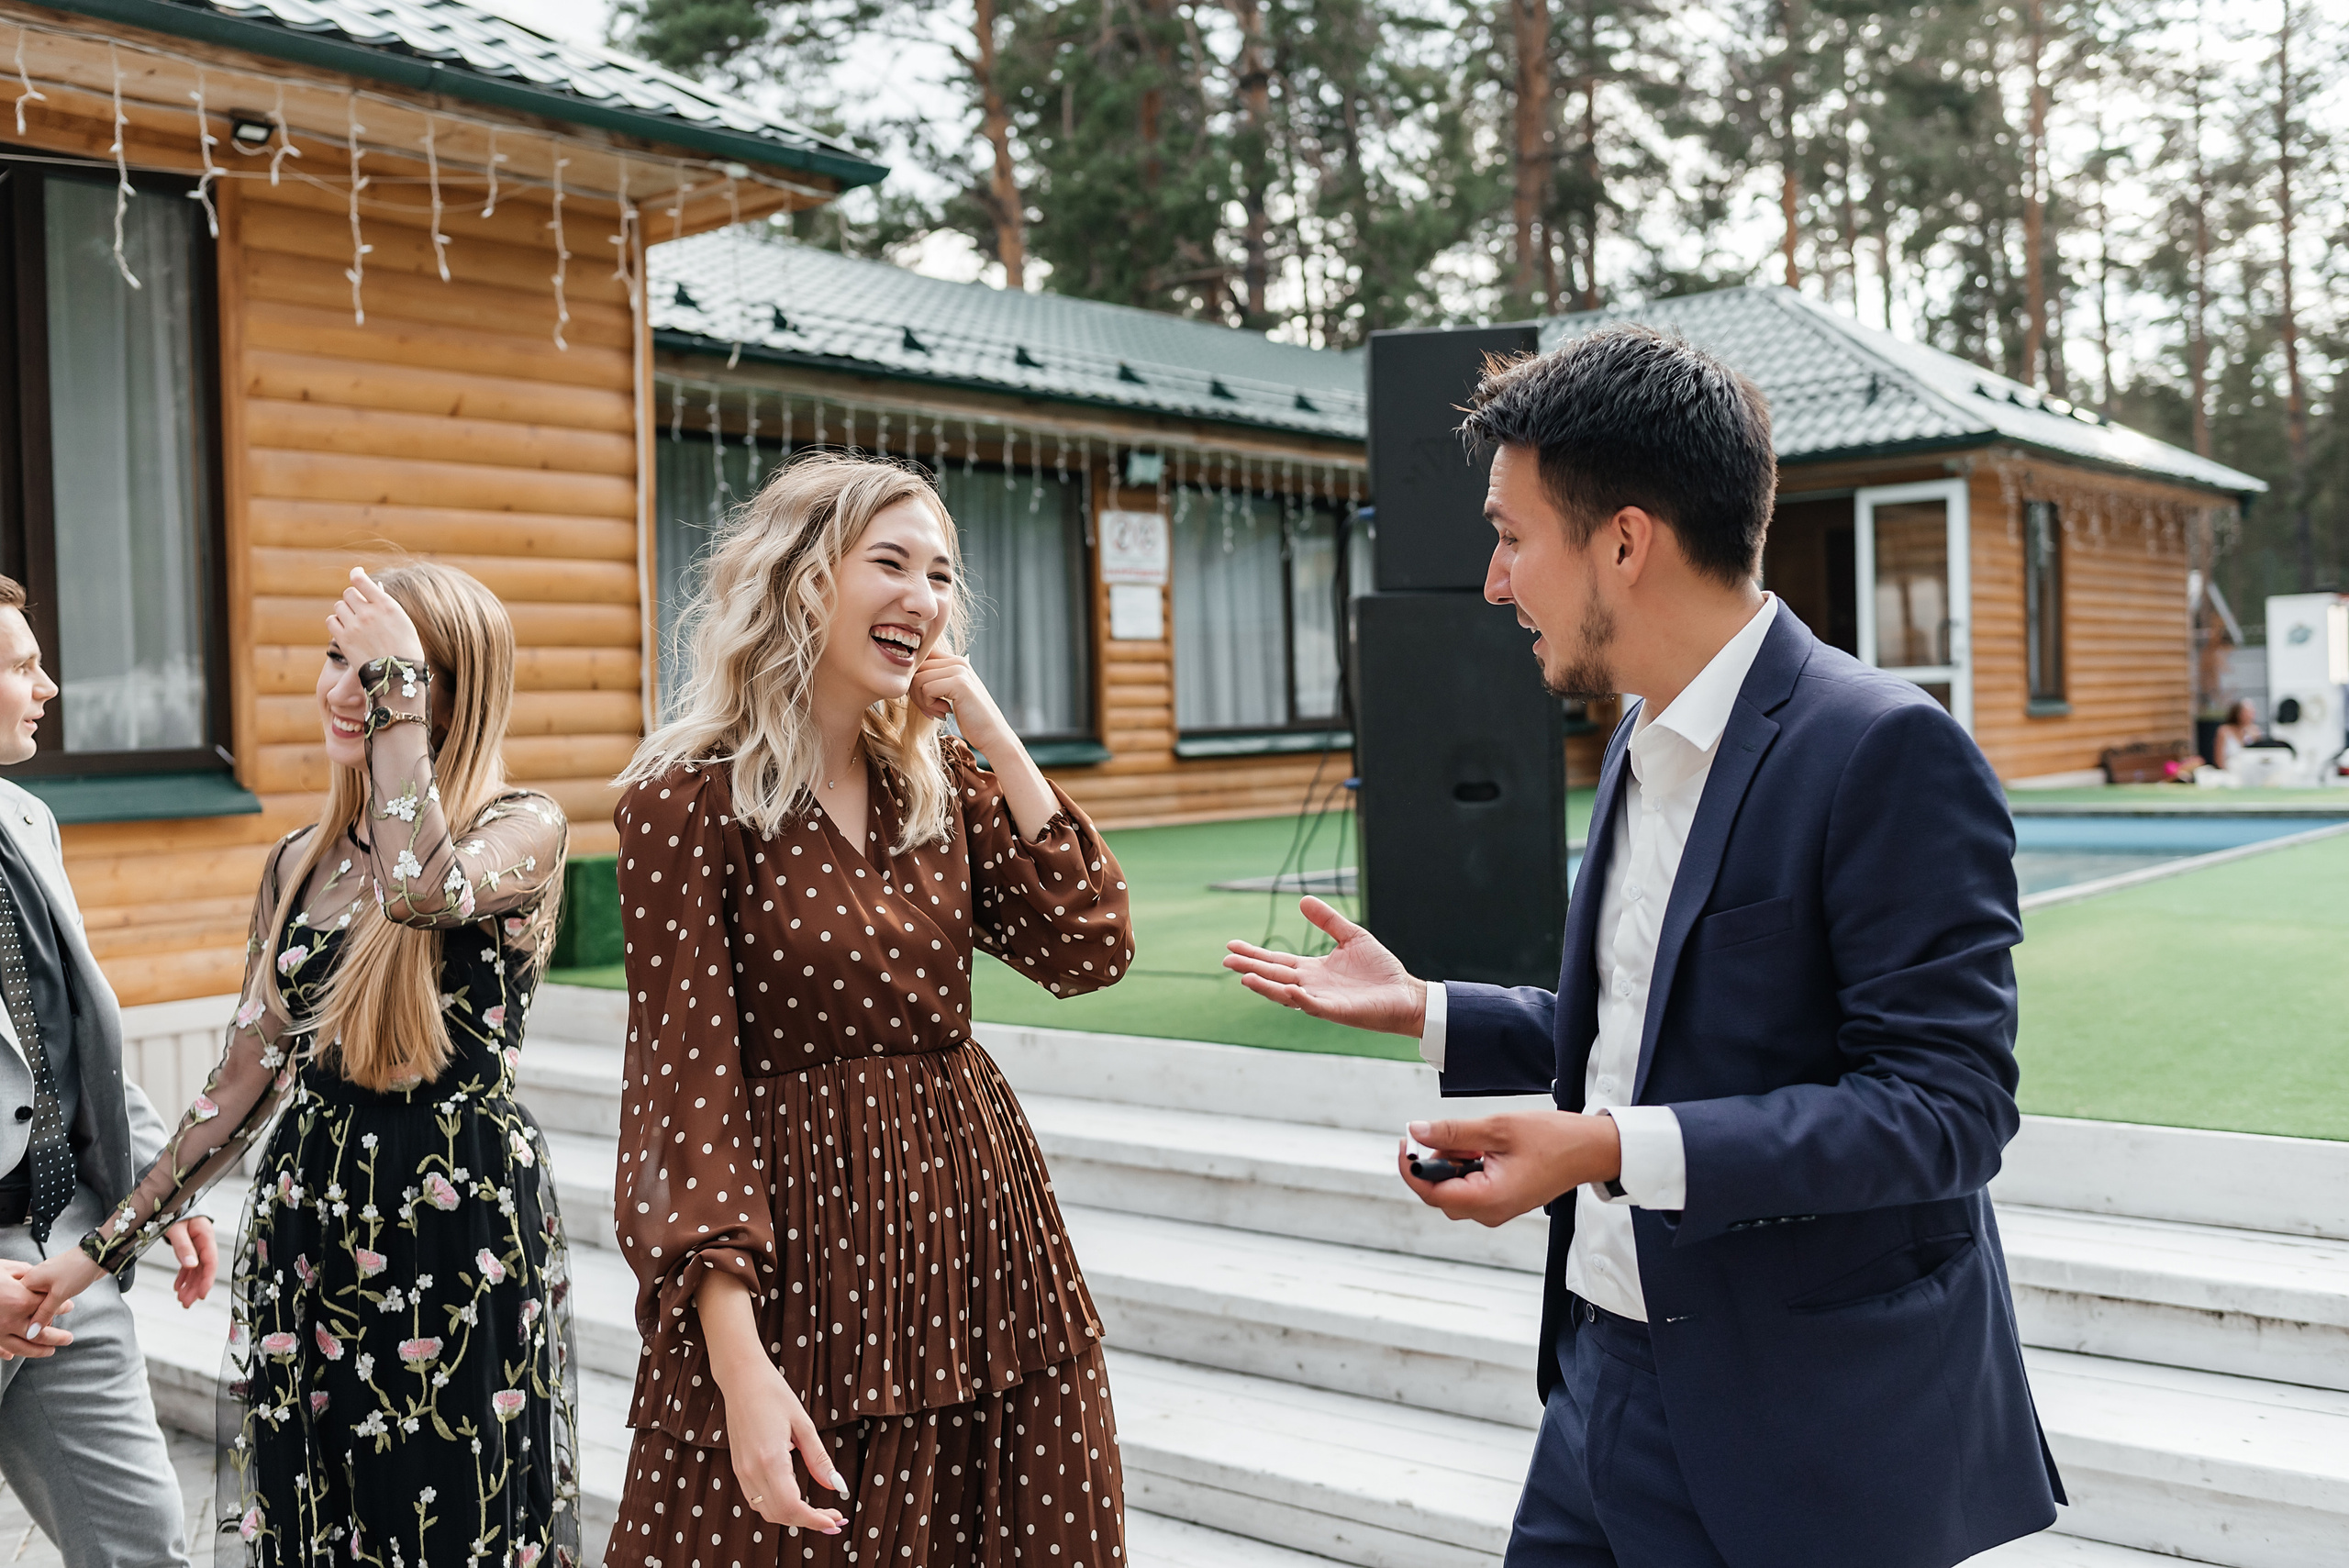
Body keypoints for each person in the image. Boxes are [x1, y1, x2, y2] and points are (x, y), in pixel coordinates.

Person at [1224, 326, 2064, 1568]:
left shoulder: (1884, 749)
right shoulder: (1635, 736)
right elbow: (1643, 1023)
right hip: (1600, 1379)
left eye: (1512, 536)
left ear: (1623, 540)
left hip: (1805, 1431)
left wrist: (1603, 1147)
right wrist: (1428, 1009)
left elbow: (1944, 1112)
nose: (1495, 580)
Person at [606, 453, 1134, 1568]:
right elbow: (681, 1088)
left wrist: (990, 729)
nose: (923, 597)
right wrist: (739, 1366)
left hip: (982, 1245)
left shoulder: (937, 780)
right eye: (888, 562)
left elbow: (1090, 943)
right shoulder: (684, 800)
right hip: (804, 1270)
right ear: (801, 581)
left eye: (940, 574)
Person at [19, 563, 577, 1568]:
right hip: (313, 1224)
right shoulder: (295, 861)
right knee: (321, 1515)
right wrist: (92, 1253)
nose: (344, 687)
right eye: (339, 658)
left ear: (446, 690)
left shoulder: (522, 827)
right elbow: (235, 1090)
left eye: (378, 669)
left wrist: (391, 685)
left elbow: (424, 888)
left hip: (456, 1229)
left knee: (449, 1518)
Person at [0, 573, 209, 1568]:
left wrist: (162, 1189)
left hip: (63, 1263)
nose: (48, 688)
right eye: (23, 665)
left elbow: (79, 1044)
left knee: (146, 1548)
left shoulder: (29, 822)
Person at [2213, 696, 2263, 769]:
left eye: (2252, 712)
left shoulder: (2255, 731)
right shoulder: (2224, 731)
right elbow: (2218, 759)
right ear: (2238, 714)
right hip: (2229, 770)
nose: (2251, 716)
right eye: (2247, 712)